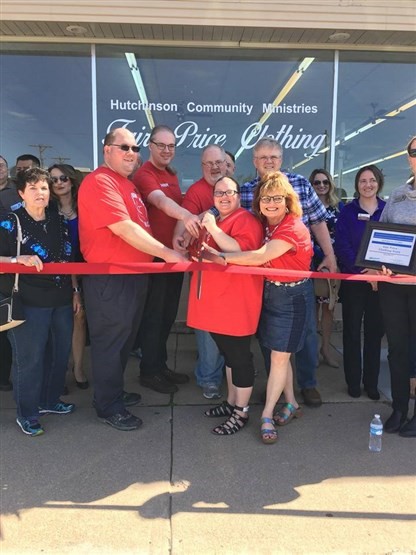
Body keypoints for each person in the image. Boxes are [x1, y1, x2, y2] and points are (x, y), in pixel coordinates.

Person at [78, 127, 186, 432]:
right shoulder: (99, 181)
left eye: (134, 148)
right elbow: (125, 229)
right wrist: (166, 253)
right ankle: (108, 405)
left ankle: (112, 392)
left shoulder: (126, 185)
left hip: (134, 276)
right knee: (111, 342)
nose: (131, 153)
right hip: (112, 279)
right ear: (107, 150)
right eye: (123, 147)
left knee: (124, 341)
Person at [207, 172, 313, 443]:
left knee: (279, 357)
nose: (271, 203)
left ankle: (266, 414)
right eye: (266, 198)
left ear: (288, 201)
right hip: (271, 294)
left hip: (291, 297)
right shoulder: (268, 225)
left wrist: (222, 257)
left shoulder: (293, 227)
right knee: (281, 356)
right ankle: (291, 402)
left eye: (277, 198)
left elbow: (259, 256)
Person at [240, 138, 337, 407]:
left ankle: (308, 384)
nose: (269, 162)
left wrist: (330, 256)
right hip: (264, 278)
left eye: (274, 157)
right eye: (263, 158)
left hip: (298, 279)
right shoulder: (247, 191)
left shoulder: (302, 185)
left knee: (306, 333)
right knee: (268, 335)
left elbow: (318, 223)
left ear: (281, 159)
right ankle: (278, 386)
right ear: (254, 161)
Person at [0, 167, 79, 436]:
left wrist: (76, 291)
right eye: (33, 188)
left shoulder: (58, 219)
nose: (40, 193)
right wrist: (15, 260)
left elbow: (70, 260)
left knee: (59, 355)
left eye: (44, 188)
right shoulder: (10, 222)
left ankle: (49, 401)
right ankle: (27, 413)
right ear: (21, 193)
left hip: (61, 299)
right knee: (29, 360)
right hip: (28, 301)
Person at [187, 175, 263, 434]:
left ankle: (241, 412)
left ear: (238, 195)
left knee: (240, 357)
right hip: (217, 303)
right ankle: (231, 402)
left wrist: (214, 230)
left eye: (229, 192)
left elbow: (240, 251)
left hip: (236, 303)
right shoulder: (216, 219)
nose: (224, 197)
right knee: (229, 355)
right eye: (219, 193)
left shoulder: (245, 220)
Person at [132, 125, 199, 394]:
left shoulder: (171, 174)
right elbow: (159, 202)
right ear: (150, 145)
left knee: (167, 315)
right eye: (162, 145)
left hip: (174, 257)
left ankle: (159, 366)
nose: (167, 150)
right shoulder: (144, 173)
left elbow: (173, 209)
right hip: (155, 259)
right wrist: (186, 216)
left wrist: (181, 233)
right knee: (154, 317)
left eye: (171, 146)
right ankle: (149, 371)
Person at [173, 144, 227, 400]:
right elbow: (182, 224)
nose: (215, 167)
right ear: (202, 166)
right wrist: (179, 240)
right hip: (205, 271)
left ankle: (227, 373)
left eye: (219, 162)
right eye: (209, 164)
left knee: (229, 327)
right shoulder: (195, 191)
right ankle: (209, 378)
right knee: (206, 330)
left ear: (226, 163)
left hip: (232, 269)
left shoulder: (233, 187)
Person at [334, 165, 385, 399]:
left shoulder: (387, 210)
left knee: (374, 334)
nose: (367, 185)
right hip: (354, 280)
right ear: (357, 185)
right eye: (363, 181)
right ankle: (353, 382)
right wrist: (362, 269)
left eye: (372, 180)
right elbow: (341, 245)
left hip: (381, 283)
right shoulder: (346, 212)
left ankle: (372, 384)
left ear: (379, 183)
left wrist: (377, 271)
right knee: (352, 333)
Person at [378, 136, 416, 437]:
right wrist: (381, 261)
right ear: (408, 158)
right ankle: (400, 407)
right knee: (398, 348)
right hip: (395, 285)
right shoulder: (398, 195)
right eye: (415, 151)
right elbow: (380, 232)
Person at [49, 163, 88, 389]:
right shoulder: (48, 210)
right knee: (60, 323)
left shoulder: (85, 206)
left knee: (80, 318)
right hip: (59, 272)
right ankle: (59, 371)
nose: (59, 183)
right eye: (53, 180)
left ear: (71, 180)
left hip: (87, 270)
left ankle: (79, 368)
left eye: (63, 178)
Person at [309, 168, 343, 368]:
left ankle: (326, 349)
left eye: (325, 182)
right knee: (312, 310)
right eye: (317, 182)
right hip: (312, 264)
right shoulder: (305, 208)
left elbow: (341, 235)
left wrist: (333, 258)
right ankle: (312, 351)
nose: (321, 186)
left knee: (328, 309)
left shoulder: (338, 208)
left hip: (332, 265)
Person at [0, 156, 13, 390]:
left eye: (0, 164)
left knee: (5, 328)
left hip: (10, 272)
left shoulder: (16, 194)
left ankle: (3, 378)